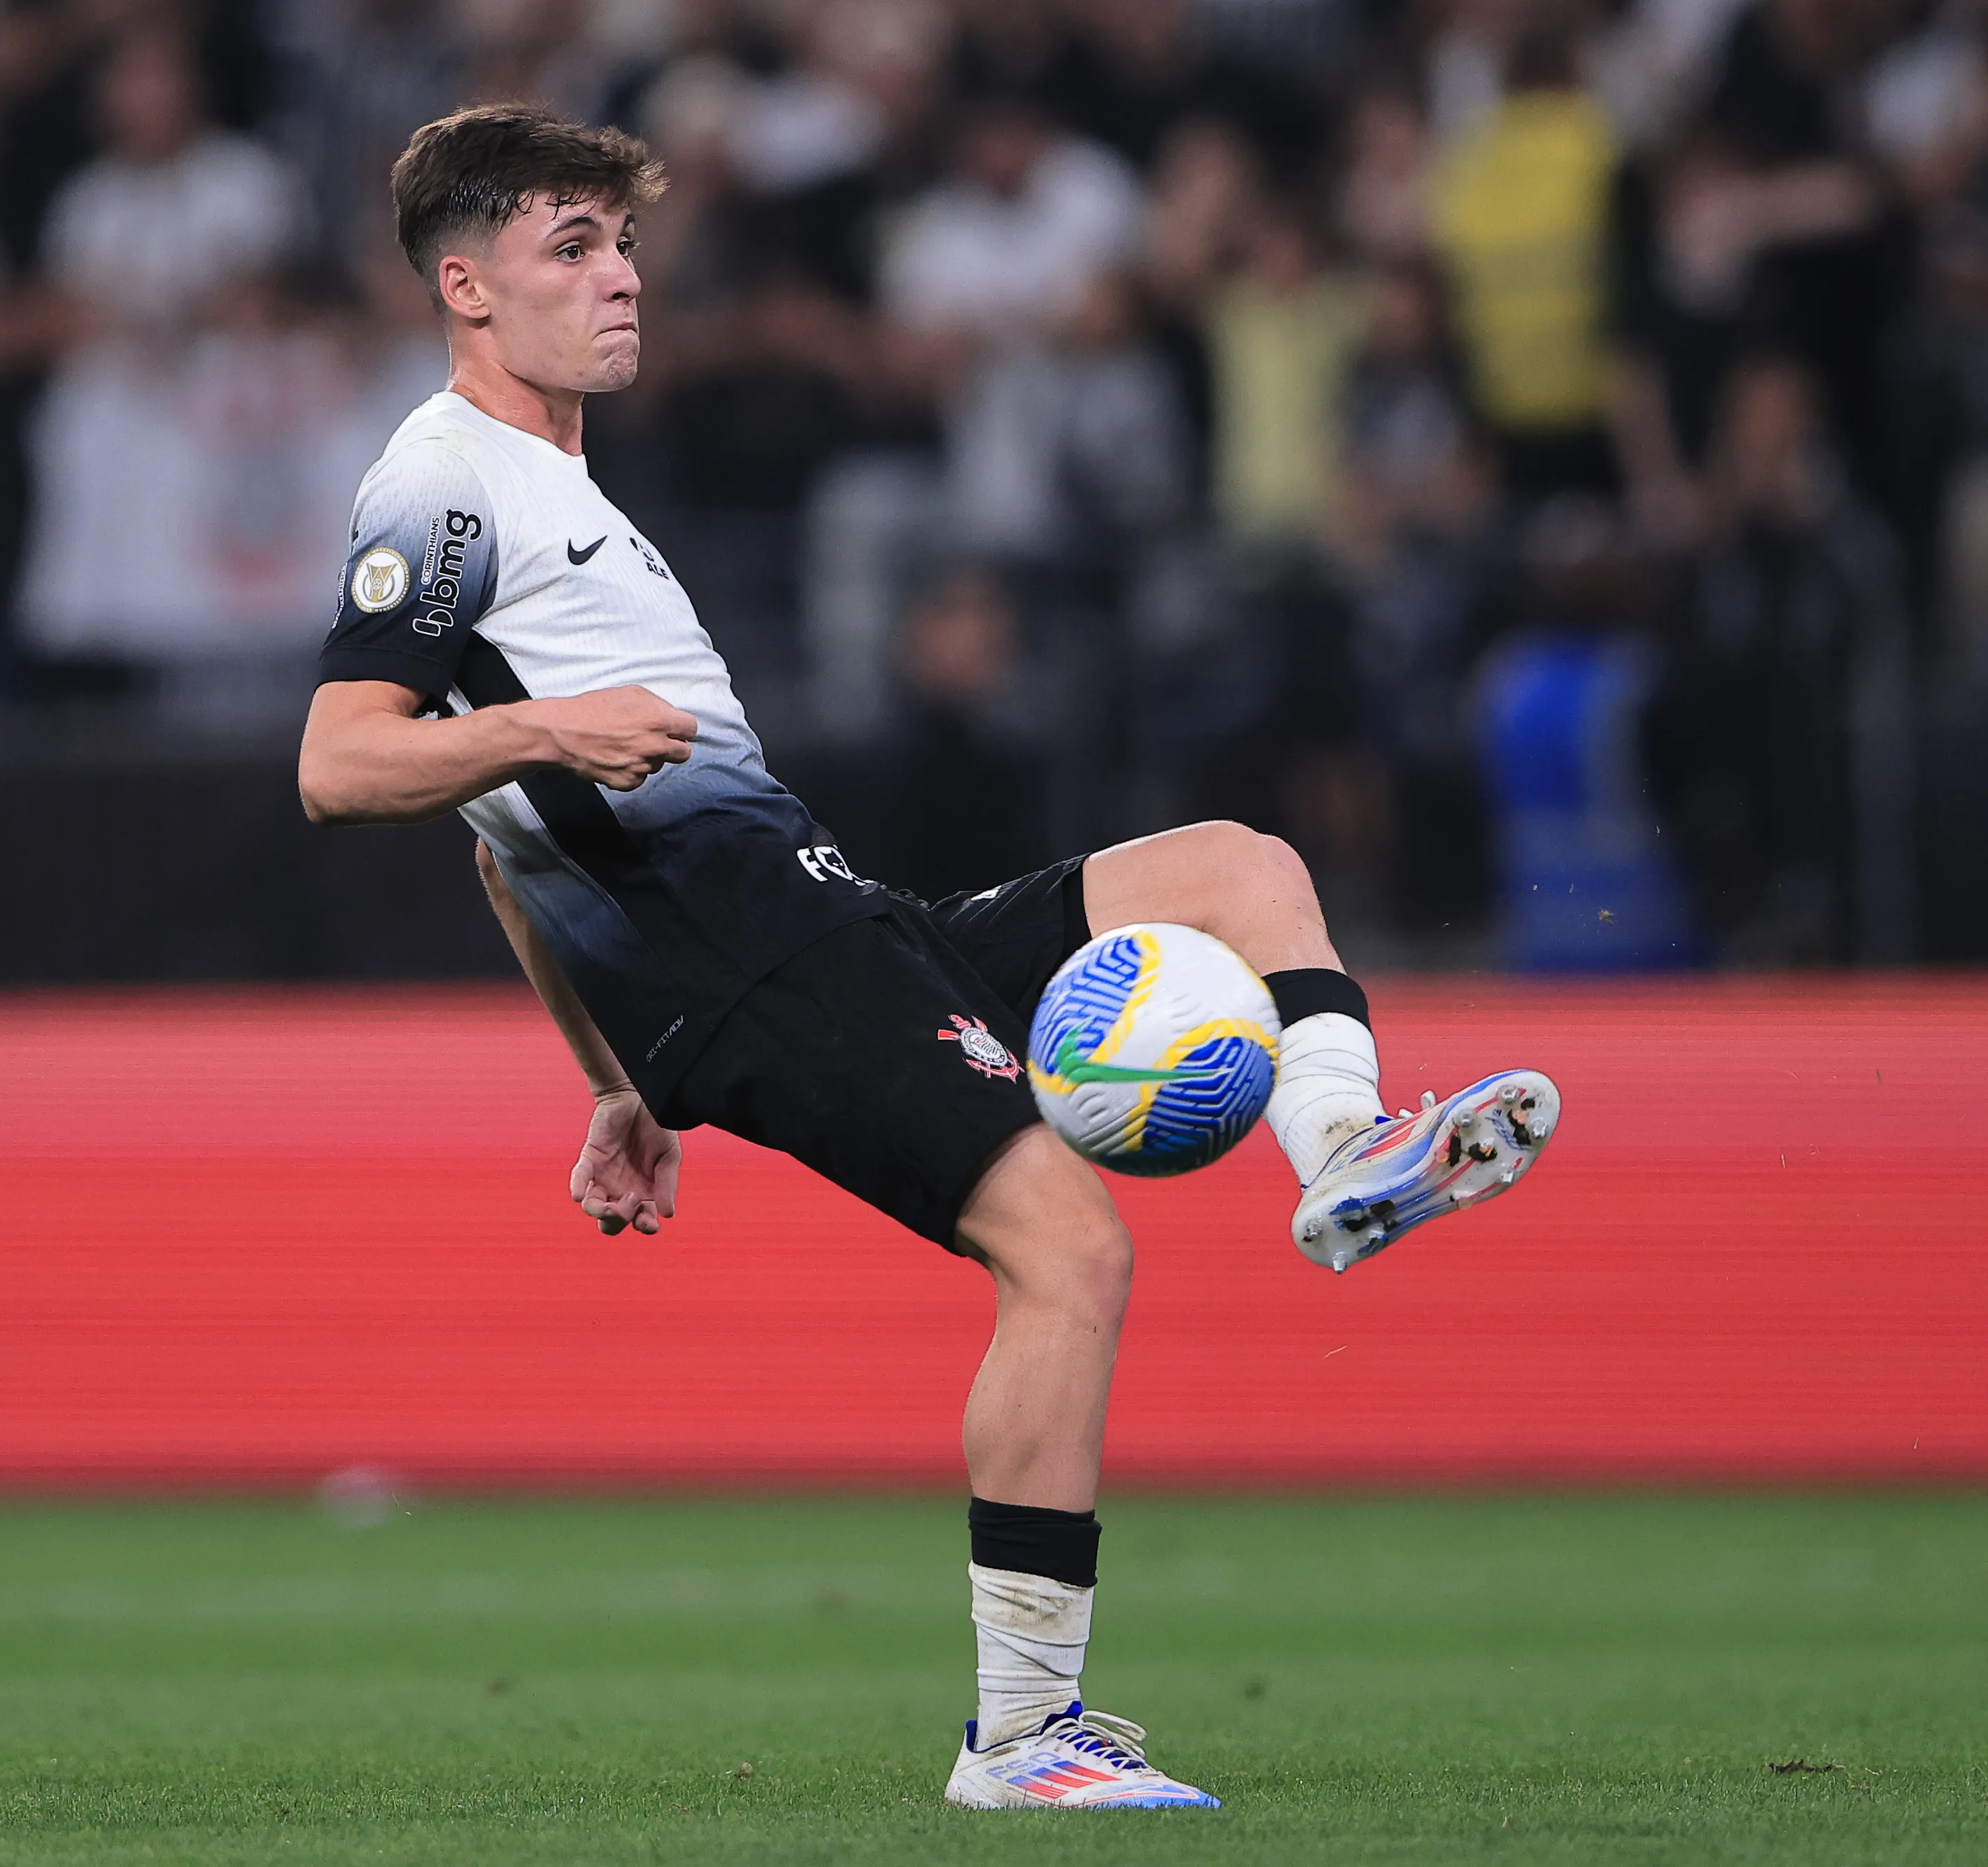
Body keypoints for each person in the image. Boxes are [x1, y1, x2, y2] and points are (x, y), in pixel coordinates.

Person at [295, 104, 1560, 1814]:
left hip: (824, 915)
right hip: (743, 949)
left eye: (621, 242)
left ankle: (1344, 1155)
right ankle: (1023, 1735)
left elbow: (497, 847)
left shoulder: (563, 490)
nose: (622, 279)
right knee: (1070, 1250)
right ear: (464, 284)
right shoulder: (443, 481)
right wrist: (551, 729)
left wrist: (612, 1082)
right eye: (571, 249)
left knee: (1234, 866)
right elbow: (336, 759)